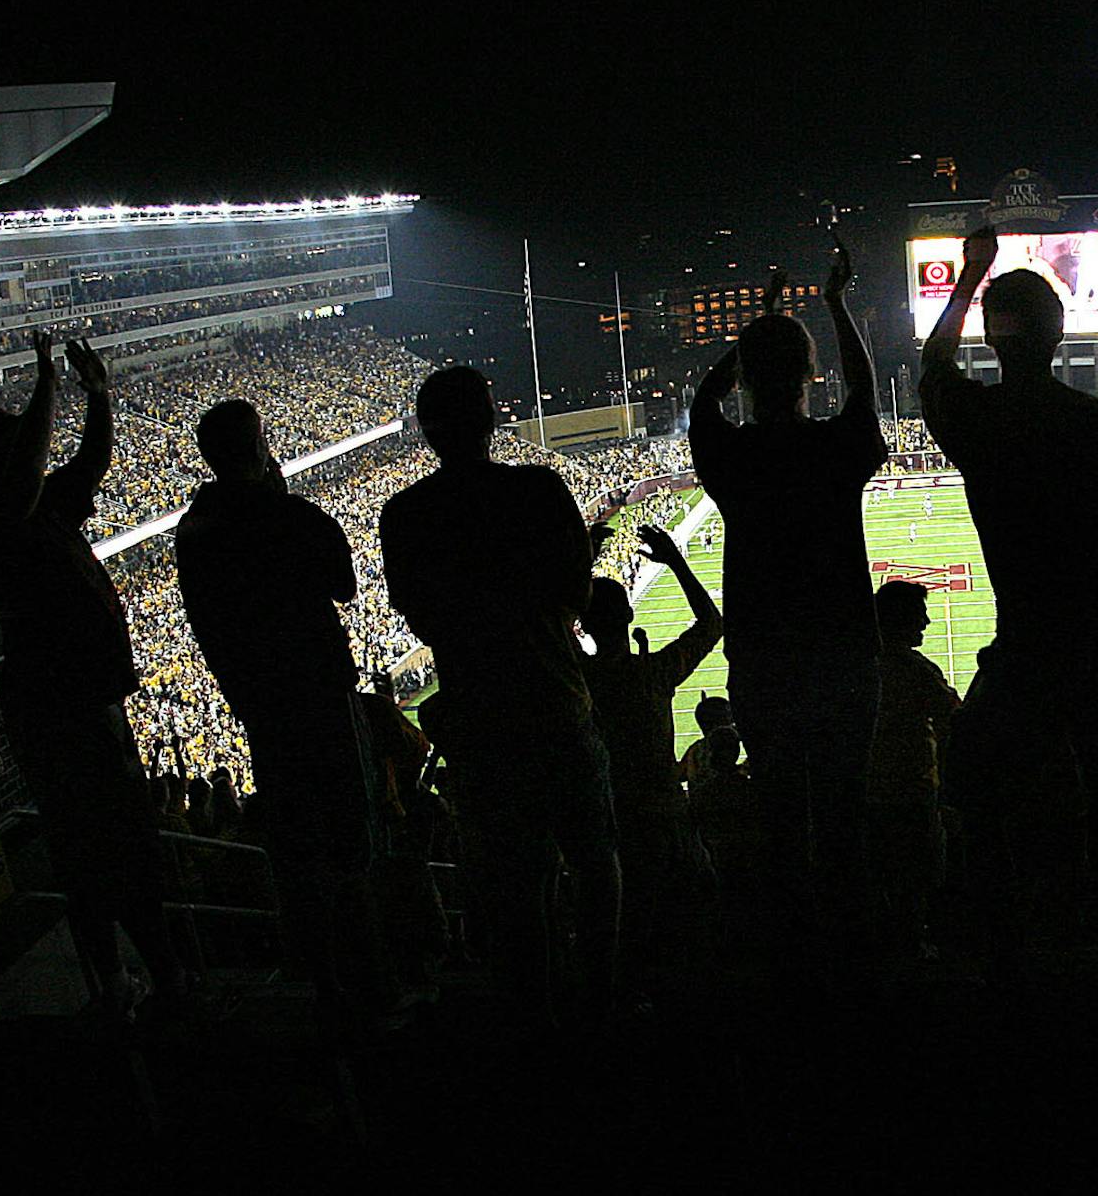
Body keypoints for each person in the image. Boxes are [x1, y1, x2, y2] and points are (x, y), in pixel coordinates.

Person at [921, 225, 1098, 983]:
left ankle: (1006, 952)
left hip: (1029, 639)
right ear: (1062, 335)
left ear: (992, 339)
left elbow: (932, 364)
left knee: (976, 785)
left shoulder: (981, 422)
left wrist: (971, 276)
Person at [379, 366, 620, 1032]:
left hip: (480, 722)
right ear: (491, 420)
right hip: (554, 702)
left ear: (427, 431)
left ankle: (535, 1013)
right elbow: (577, 593)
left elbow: (422, 617)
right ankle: (601, 995)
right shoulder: (538, 490)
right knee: (596, 858)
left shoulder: (404, 515)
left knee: (518, 885)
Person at [0, 332, 192, 1024]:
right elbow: (26, 478)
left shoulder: (46, 511)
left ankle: (159, 975)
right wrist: (46, 388)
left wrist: (99, 395)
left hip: (91, 703)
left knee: (127, 849)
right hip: (59, 714)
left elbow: (91, 464)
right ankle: (124, 982)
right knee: (97, 856)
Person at [688, 243, 886, 981]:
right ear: (812, 376)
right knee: (843, 816)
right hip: (841, 654)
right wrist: (833, 305)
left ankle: (787, 963)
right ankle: (854, 959)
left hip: (764, 661)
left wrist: (759, 325)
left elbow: (701, 406)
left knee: (782, 819)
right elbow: (863, 394)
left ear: (747, 376)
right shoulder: (834, 450)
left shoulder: (730, 458)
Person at [176, 398, 393, 1033]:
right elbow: (344, 582)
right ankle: (374, 992)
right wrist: (283, 497)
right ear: (262, 446)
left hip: (260, 710)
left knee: (298, 855)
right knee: (352, 849)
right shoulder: (284, 513)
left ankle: (326, 991)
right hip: (319, 697)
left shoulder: (195, 530)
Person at [578, 523, 722, 996]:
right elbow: (710, 624)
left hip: (609, 816)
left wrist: (579, 564)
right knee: (690, 920)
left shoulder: (579, 681)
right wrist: (676, 562)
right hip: (663, 815)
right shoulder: (653, 674)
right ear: (629, 615)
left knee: (624, 925)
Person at [867, 580, 960, 961]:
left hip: (871, 791)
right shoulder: (913, 669)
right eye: (919, 614)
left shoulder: (863, 664)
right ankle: (913, 950)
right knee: (915, 877)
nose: (926, 621)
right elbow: (955, 718)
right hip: (911, 789)